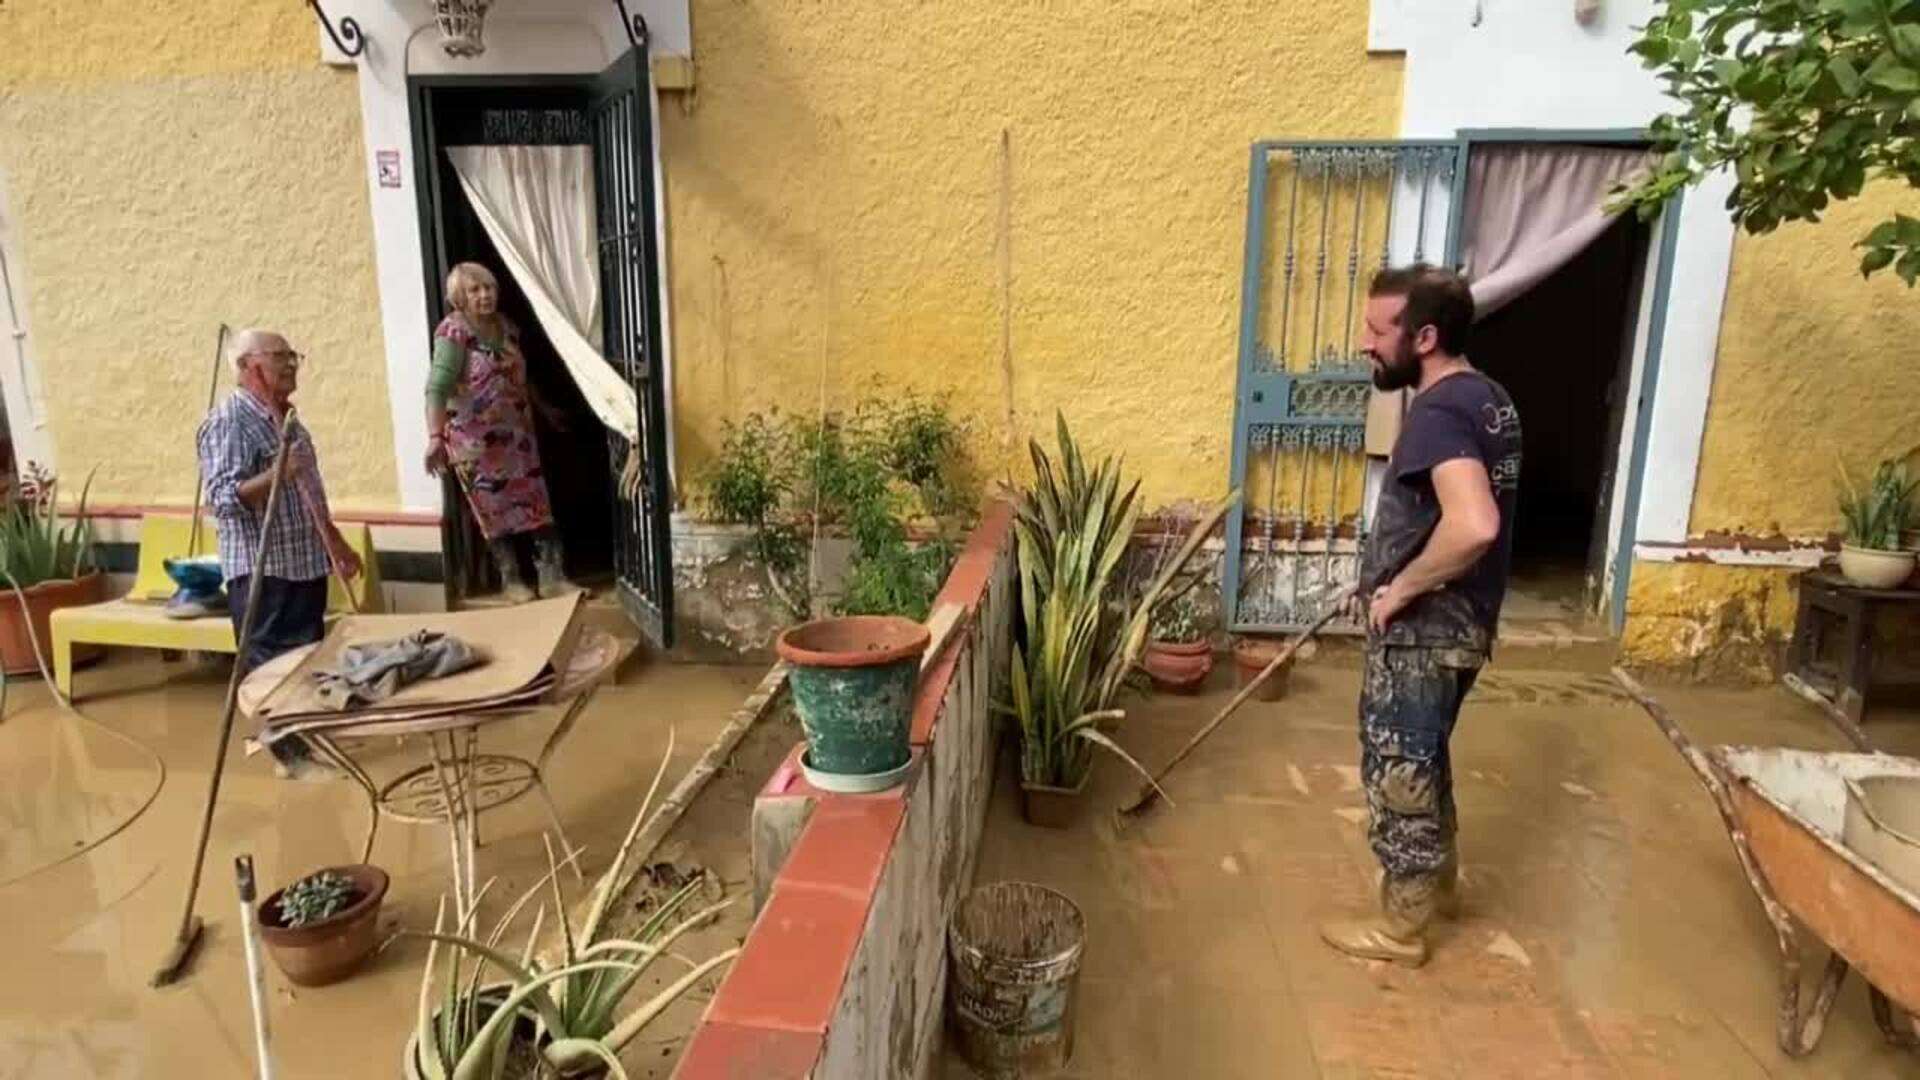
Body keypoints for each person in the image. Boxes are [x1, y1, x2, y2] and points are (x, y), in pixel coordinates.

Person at [1319, 265, 1522, 967]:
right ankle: (1441, 888)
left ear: (1425, 336)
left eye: (1379, 330)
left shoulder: (1437, 411)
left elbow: (1473, 525)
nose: (1364, 343)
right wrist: (1375, 578)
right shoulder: (1489, 398)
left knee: (1398, 770)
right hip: (1463, 629)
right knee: (1427, 756)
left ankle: (1401, 930)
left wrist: (1399, 590)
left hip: (1425, 635)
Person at [197, 328, 363, 779]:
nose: (292, 363)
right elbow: (221, 499)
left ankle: (306, 738)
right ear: (249, 366)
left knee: (307, 656)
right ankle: (287, 756)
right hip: (262, 566)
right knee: (270, 664)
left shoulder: (287, 419)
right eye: (280, 356)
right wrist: (275, 474)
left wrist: (336, 542)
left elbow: (309, 490)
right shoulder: (230, 421)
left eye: (294, 355)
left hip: (303, 561)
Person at [424, 262, 574, 602]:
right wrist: (435, 438)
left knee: (536, 505)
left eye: (488, 287)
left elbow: (519, 377)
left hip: (517, 438)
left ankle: (552, 578)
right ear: (459, 298)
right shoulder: (453, 334)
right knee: (493, 510)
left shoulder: (507, 328)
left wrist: (545, 409)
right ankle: (512, 581)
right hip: (475, 443)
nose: (484, 295)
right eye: (474, 290)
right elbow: (436, 387)